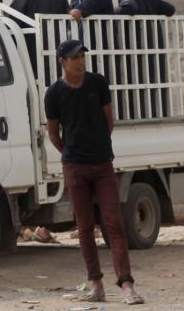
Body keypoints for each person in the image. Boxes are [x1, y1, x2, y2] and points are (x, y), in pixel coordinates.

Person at [45, 40, 143, 305]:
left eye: (82, 55)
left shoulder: (97, 83)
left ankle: (126, 285)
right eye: (75, 57)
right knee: (85, 227)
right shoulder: (54, 93)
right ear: (62, 62)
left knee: (114, 222)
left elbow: (108, 121)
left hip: (102, 165)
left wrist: (97, 146)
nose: (80, 60)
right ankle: (96, 284)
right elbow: (53, 133)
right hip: (75, 167)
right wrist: (71, 153)